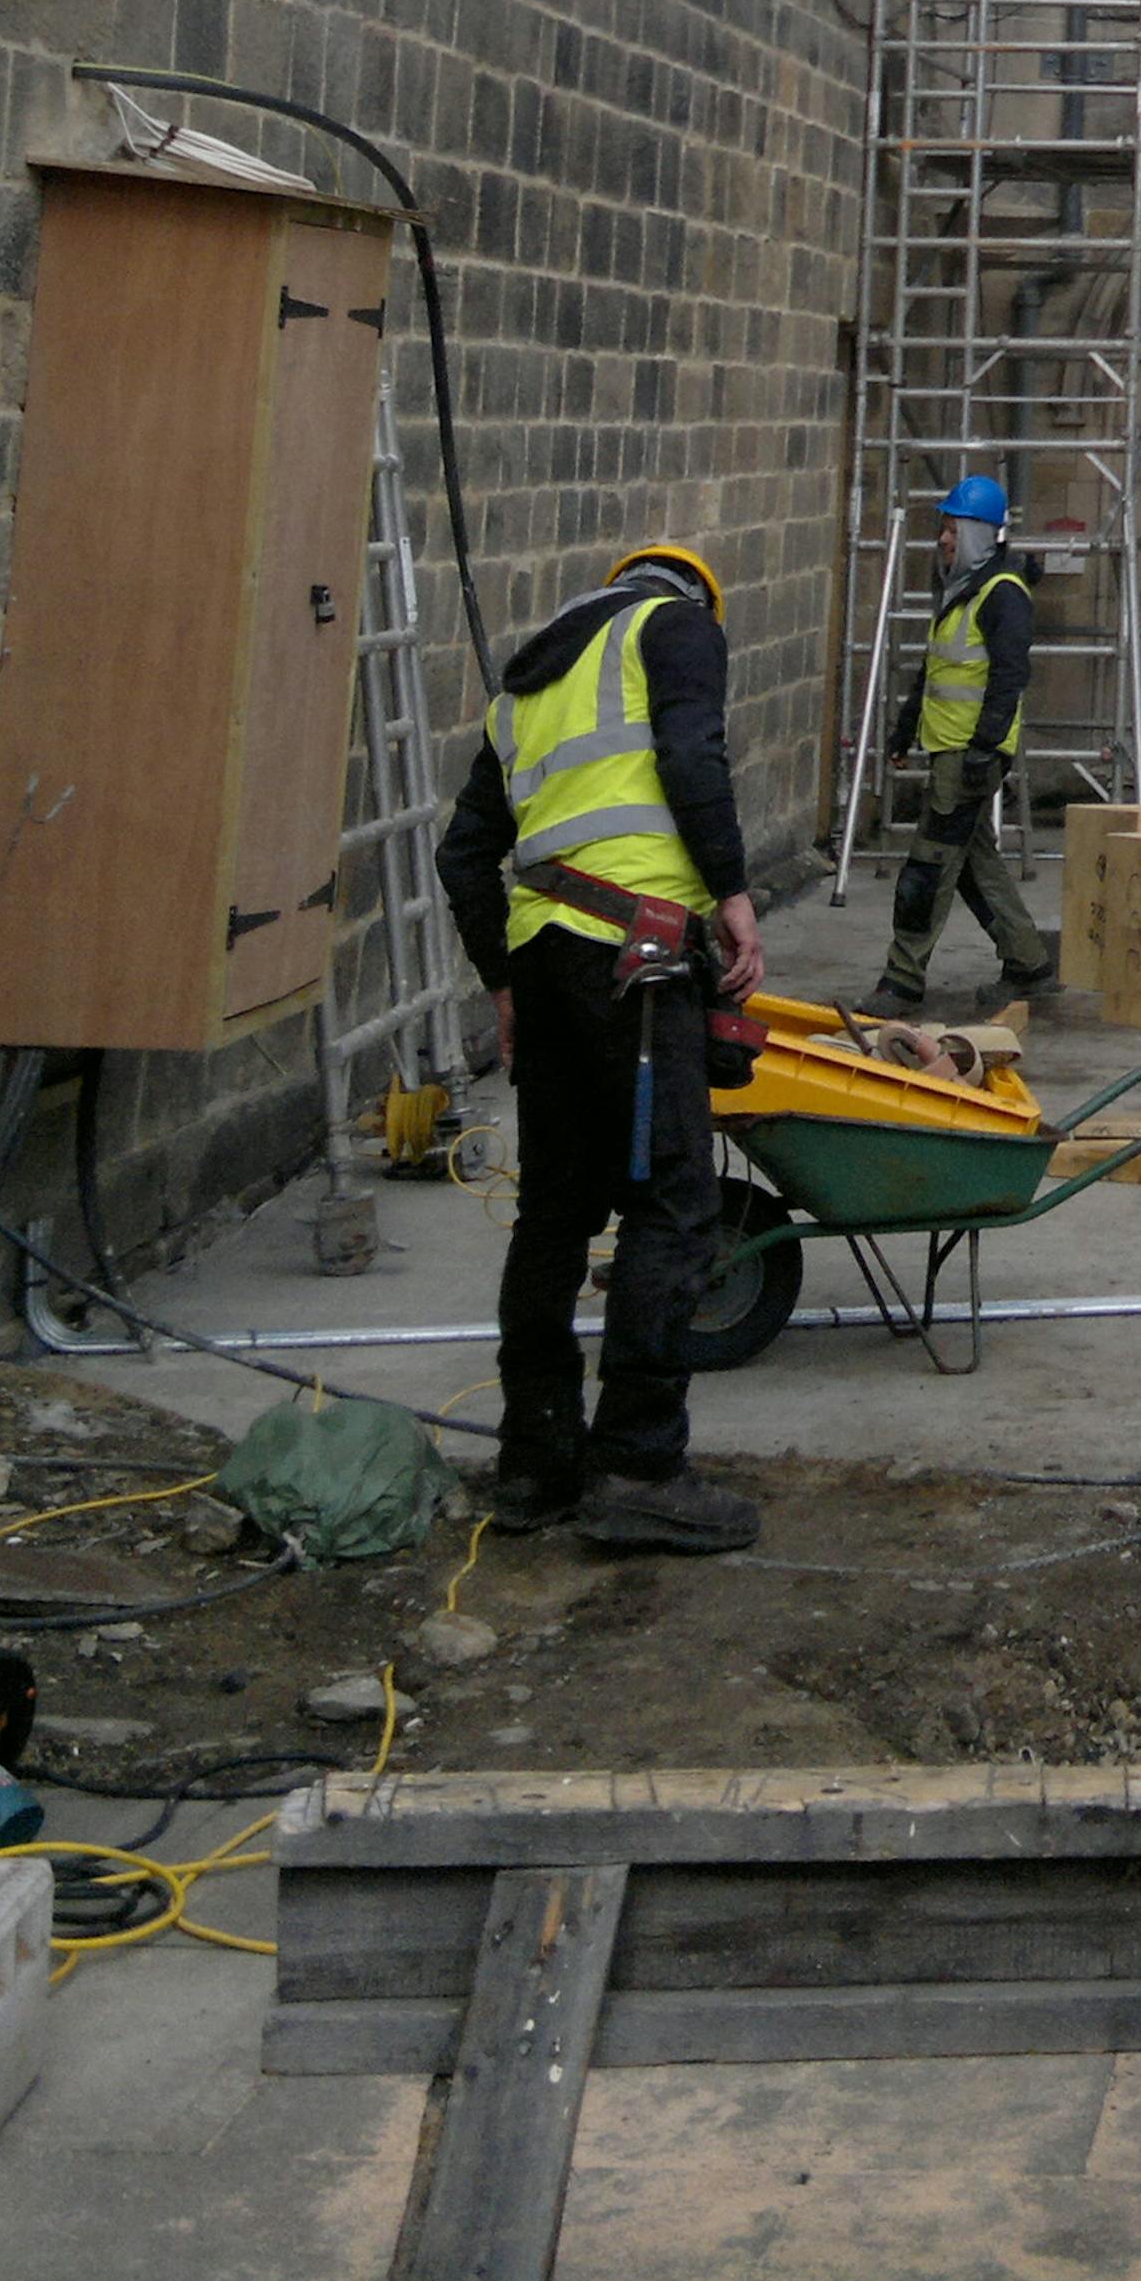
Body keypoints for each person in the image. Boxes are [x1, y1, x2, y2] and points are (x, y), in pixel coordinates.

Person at [437, 537, 768, 1549]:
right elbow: (689, 756)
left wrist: (502, 978)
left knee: (554, 1214)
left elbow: (464, 852)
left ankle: (536, 1463)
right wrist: (733, 893)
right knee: (673, 1203)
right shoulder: (675, 629)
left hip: (547, 962)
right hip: (638, 957)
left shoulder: (530, 684)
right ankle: (637, 1466)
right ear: (691, 597)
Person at [873, 472, 1061, 1015]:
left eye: (952, 528)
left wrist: (984, 748)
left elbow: (1009, 677)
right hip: (950, 749)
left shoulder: (1002, 596)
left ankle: (902, 979)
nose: (943, 539)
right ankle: (1029, 965)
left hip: (968, 754)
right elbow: (933, 672)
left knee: (928, 868)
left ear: (980, 532)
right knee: (975, 865)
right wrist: (905, 730)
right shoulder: (964, 592)